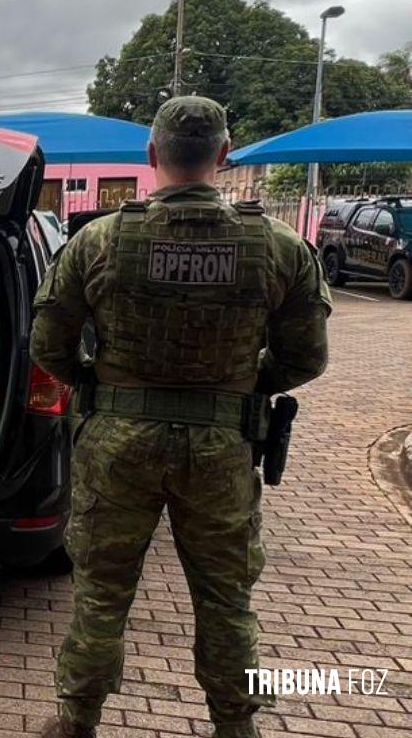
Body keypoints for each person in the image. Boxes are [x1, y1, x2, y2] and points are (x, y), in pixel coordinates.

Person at [30, 97, 331, 738]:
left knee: (102, 592)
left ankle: (75, 720)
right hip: (222, 447)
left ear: (151, 156)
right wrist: (241, 389)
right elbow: (305, 357)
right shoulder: (278, 245)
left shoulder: (100, 240)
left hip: (116, 443)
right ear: (224, 155)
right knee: (226, 598)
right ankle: (235, 725)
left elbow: (49, 347)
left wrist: (96, 385)